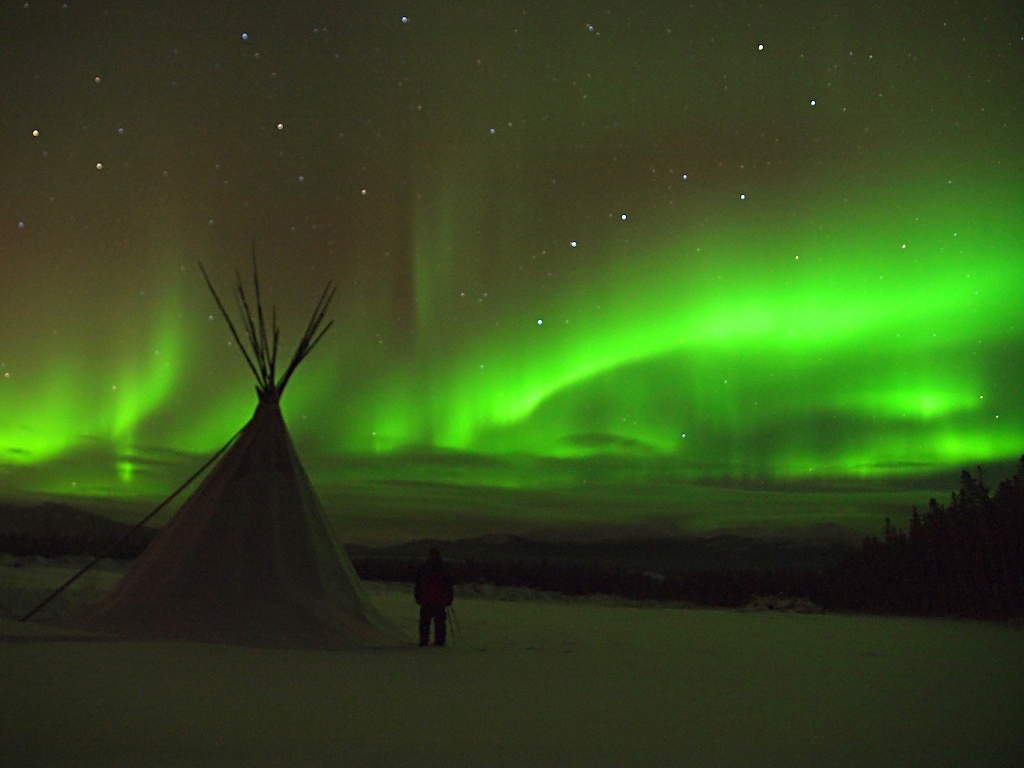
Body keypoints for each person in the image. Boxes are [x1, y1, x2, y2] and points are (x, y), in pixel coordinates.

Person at [414, 547, 453, 646]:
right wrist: (449, 598)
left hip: (426, 599)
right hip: (439, 599)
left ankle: (424, 641)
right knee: (439, 622)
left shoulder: (424, 567)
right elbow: (448, 584)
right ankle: (439, 642)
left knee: (425, 622)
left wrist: (418, 596)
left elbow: (418, 583)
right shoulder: (444, 567)